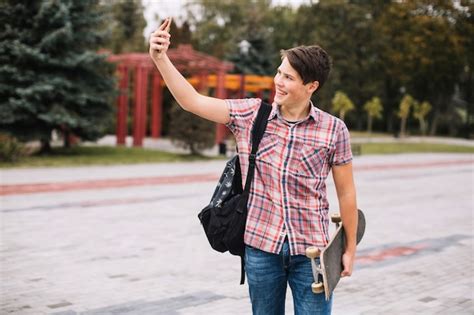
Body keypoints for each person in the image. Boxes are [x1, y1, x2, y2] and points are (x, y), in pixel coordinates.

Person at [149, 18, 358, 315]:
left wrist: (350, 250)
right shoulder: (250, 115)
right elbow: (192, 101)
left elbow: (347, 194)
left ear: (312, 86)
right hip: (261, 248)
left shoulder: (333, 130)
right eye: (279, 72)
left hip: (312, 253)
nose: (278, 81)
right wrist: (160, 58)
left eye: (288, 77)